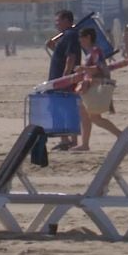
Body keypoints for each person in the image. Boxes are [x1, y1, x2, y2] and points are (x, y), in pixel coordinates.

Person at [71, 28, 122, 152]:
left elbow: (99, 69)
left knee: (94, 117)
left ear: (88, 37)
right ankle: (85, 144)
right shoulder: (90, 52)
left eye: (81, 38)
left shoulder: (95, 51)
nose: (79, 41)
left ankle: (121, 135)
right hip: (88, 86)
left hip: (94, 86)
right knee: (85, 116)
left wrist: (83, 69)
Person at [46, 9, 81, 150]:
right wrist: (53, 47)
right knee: (63, 108)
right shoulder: (67, 35)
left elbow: (71, 57)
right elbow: (63, 55)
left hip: (64, 79)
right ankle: (66, 139)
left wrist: (65, 78)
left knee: (62, 108)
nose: (56, 24)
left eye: (58, 21)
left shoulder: (70, 35)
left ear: (67, 21)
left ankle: (69, 140)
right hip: (61, 77)